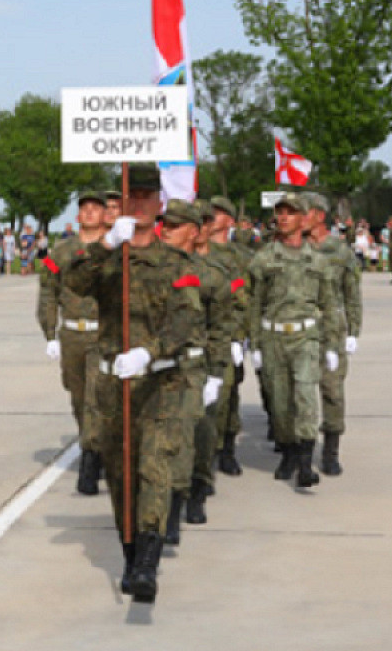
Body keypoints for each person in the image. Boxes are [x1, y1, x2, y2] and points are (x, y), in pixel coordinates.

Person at [63, 164, 204, 604]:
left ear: (160, 205)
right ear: (119, 206)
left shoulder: (178, 262)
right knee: (121, 475)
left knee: (154, 467)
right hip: (113, 386)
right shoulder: (107, 258)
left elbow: (186, 318)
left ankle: (147, 563)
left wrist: (150, 351)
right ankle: (130, 554)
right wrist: (107, 244)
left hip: (162, 383)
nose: (139, 203)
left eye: (147, 196)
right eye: (132, 196)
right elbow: (71, 281)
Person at [248, 194, 340, 488]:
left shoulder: (319, 261)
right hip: (274, 336)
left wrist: (334, 345)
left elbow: (329, 305)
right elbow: (254, 304)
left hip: (306, 337)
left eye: (291, 212)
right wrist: (254, 344)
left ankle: (304, 463)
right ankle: (288, 451)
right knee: (280, 403)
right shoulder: (263, 259)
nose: (284, 217)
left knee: (305, 396)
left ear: (303, 219)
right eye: (281, 212)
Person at [161, 200, 232, 543]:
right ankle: (168, 509)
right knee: (165, 441)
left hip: (194, 365)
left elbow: (220, 326)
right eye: (165, 225)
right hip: (157, 365)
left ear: (192, 230)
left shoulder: (210, 275)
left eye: (174, 226)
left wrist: (217, 373)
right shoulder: (149, 268)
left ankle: (198, 491)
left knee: (199, 435)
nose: (166, 231)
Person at [37, 191, 108, 495]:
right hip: (72, 335)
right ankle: (95, 445)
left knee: (96, 397)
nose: (90, 212)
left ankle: (89, 461)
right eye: (85, 208)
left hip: (103, 335)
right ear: (78, 216)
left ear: (106, 215)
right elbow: (48, 292)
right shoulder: (62, 251)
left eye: (96, 208)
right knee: (79, 398)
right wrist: (49, 333)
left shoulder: (116, 250)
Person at [304, 194, 361, 475]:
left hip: (331, 331)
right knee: (298, 393)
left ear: (318, 215)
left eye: (304, 211)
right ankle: (297, 450)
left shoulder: (340, 252)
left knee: (333, 392)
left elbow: (352, 294)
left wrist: (354, 330)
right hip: (299, 330)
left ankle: (330, 450)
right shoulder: (291, 248)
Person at [207, 196, 252, 478]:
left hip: (229, 337)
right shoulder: (198, 252)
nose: (212, 216)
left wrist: (239, 337)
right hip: (204, 336)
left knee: (229, 395)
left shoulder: (242, 258)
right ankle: (207, 454)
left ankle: (227, 450)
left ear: (230, 220)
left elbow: (245, 301)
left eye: (219, 213)